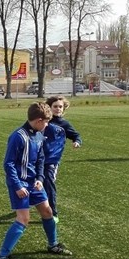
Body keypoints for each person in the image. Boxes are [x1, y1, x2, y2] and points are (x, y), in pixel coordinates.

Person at [0, 102, 71, 259]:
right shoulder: (18, 136)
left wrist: (39, 178)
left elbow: (41, 159)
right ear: (38, 120)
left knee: (47, 211)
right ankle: (2, 256)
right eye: (46, 122)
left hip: (34, 183)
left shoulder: (39, 134)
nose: (47, 125)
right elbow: (8, 164)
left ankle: (53, 244)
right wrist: (17, 186)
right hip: (20, 184)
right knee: (23, 219)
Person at [44, 95, 81, 225]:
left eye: (60, 106)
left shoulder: (64, 124)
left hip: (52, 160)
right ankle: (35, 202)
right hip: (37, 158)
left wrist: (77, 141)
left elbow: (75, 135)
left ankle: (53, 213)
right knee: (34, 182)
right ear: (49, 107)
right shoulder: (43, 121)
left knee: (49, 183)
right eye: (55, 106)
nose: (58, 109)